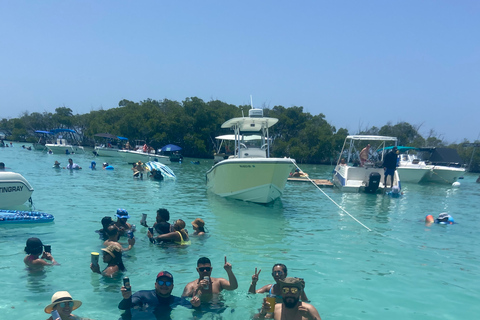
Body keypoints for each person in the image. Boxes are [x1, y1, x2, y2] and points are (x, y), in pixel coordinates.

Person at [119, 271, 199, 320]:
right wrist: (126, 298)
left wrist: (196, 305)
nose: (164, 286)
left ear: (172, 286)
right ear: (155, 284)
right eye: (161, 282)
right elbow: (123, 307)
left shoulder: (175, 300)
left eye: (168, 283)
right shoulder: (142, 295)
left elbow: (196, 308)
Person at [256, 277, 321, 320]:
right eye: (285, 290)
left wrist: (310, 317)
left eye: (293, 290)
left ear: (299, 292)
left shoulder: (309, 309)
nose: (289, 293)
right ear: (282, 292)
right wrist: (262, 312)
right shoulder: (276, 308)